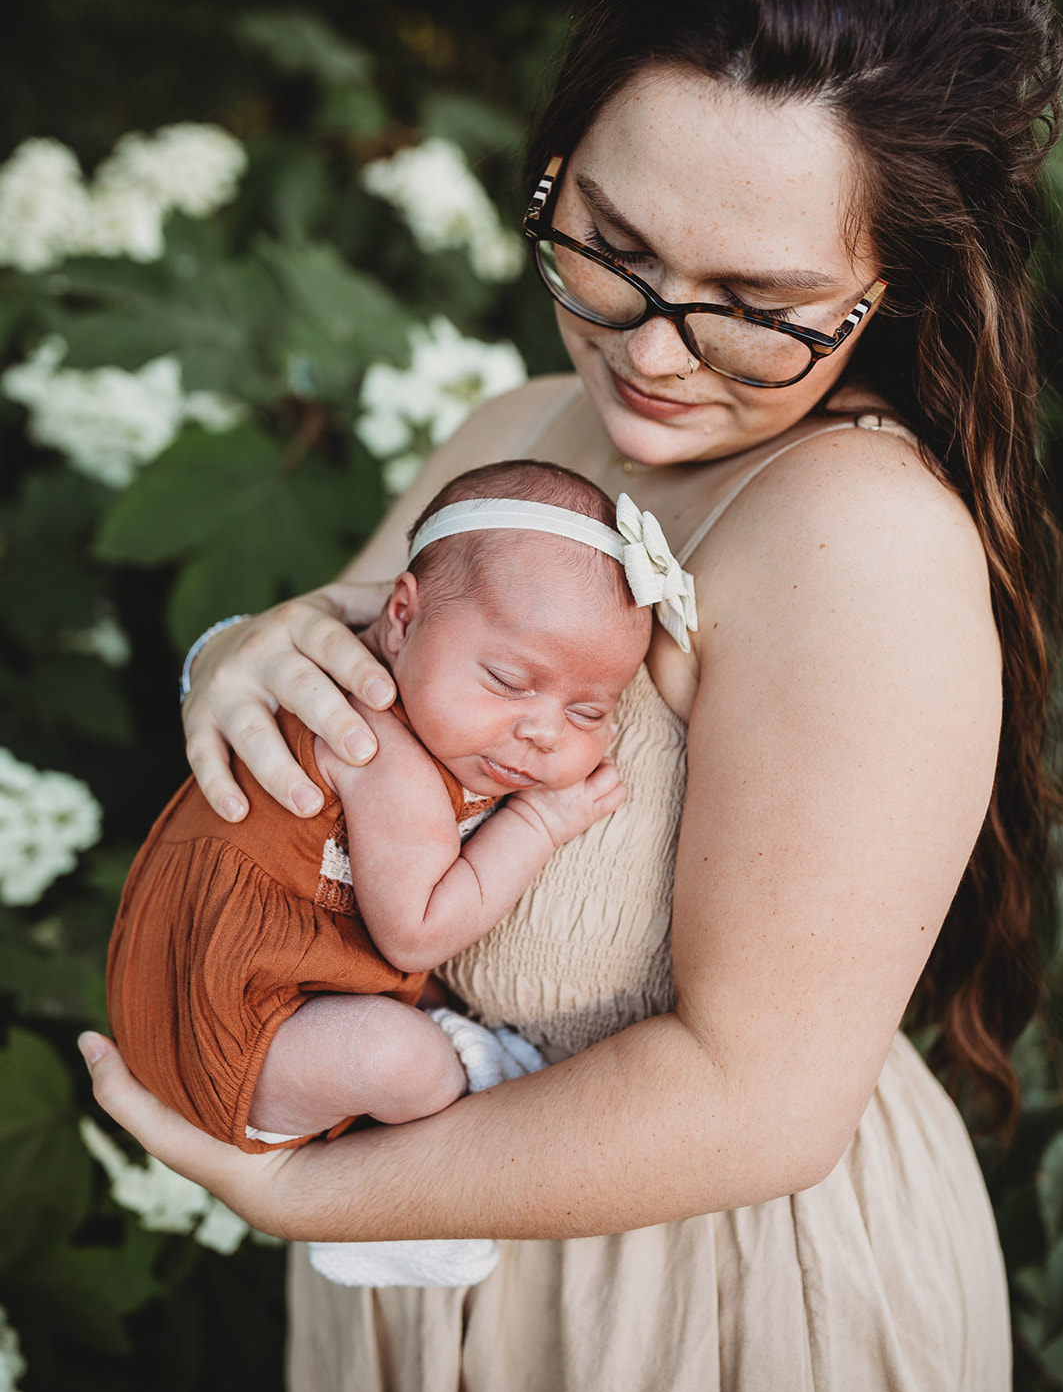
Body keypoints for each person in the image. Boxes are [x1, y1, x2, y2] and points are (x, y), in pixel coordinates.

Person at [78, 0, 1063, 1392]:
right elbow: (331, 695)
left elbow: (758, 1098)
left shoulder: (854, 541)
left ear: (892, 290)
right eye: (608, 246)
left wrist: (303, 1189)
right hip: (423, 1264)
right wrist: (234, 659)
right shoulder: (512, 434)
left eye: (758, 308)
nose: (650, 353)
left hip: (696, 1314)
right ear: (554, 169)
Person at [106, 458, 664, 1283]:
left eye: (590, 711)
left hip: (228, 993)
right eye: (509, 680)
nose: (545, 731)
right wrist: (542, 822)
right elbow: (416, 930)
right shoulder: (381, 753)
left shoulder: (424, 710)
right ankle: (382, 1216)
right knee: (401, 1058)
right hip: (238, 1027)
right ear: (399, 618)